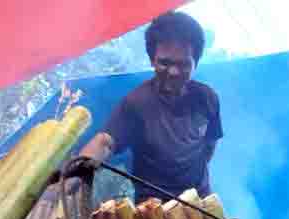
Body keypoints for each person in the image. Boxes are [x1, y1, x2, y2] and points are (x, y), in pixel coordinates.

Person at [70, 11, 223, 204]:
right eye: (165, 63)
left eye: (183, 64)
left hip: (200, 199)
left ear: (196, 63)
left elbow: (210, 144)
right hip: (153, 207)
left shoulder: (208, 98)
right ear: (152, 60)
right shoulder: (136, 103)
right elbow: (105, 142)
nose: (174, 72)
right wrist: (70, 179)